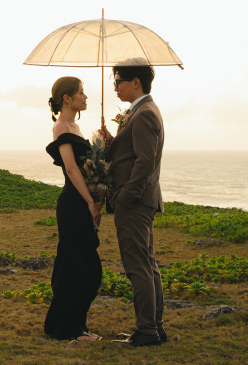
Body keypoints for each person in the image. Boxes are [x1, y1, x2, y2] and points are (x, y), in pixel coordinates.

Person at [98, 61, 166, 347]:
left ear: (135, 82)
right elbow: (133, 152)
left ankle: (147, 330)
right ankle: (155, 327)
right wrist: (112, 140)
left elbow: (145, 162)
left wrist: (125, 196)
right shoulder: (141, 111)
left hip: (135, 203)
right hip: (141, 201)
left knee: (137, 266)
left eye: (117, 81)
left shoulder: (144, 113)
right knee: (147, 263)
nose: (115, 87)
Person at [43, 76, 103, 342]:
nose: (85, 97)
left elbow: (87, 166)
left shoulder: (76, 127)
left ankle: (68, 324)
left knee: (85, 267)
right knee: (74, 266)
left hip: (82, 201)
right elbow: (70, 168)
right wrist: (90, 202)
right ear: (67, 98)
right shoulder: (61, 127)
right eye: (81, 92)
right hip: (74, 204)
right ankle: (70, 330)